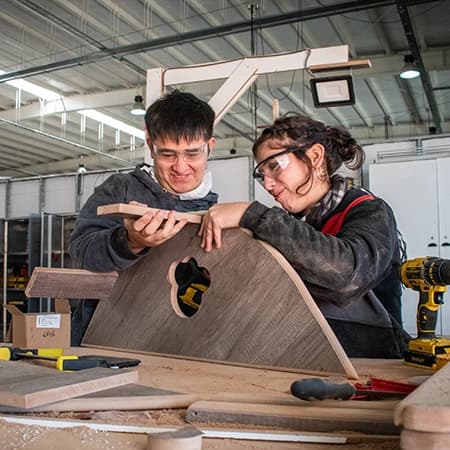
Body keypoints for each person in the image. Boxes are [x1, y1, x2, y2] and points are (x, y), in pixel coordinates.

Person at [199, 113, 410, 358]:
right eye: (262, 175)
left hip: (372, 363)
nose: (267, 184)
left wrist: (253, 214)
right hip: (311, 358)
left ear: (315, 156)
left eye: (275, 166)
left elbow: (347, 277)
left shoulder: (368, 210)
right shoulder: (292, 226)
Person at [68, 90, 218, 344]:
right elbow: (81, 252)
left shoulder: (213, 208)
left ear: (209, 147)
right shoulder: (121, 189)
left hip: (173, 342)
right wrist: (129, 242)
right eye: (167, 154)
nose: (181, 167)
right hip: (103, 338)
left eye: (192, 154)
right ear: (150, 145)